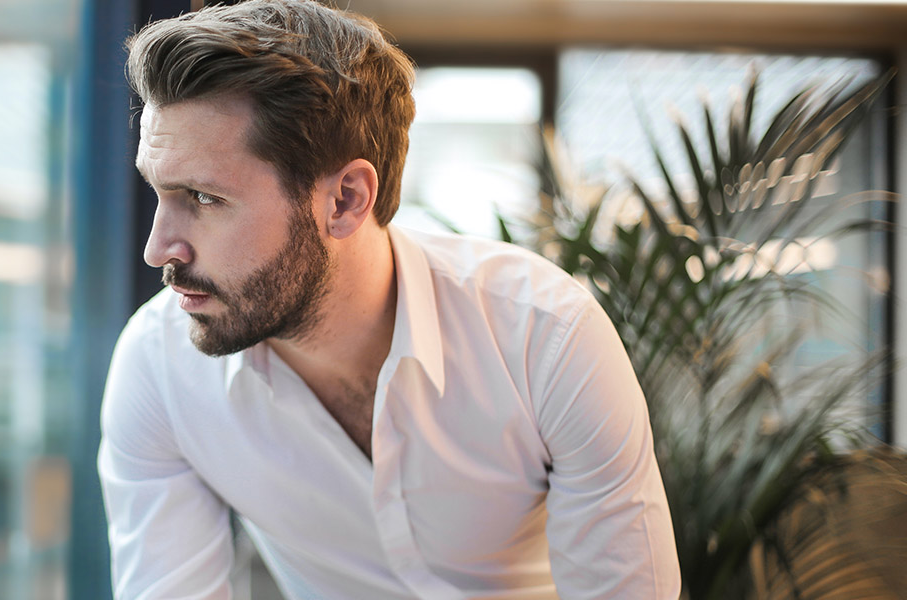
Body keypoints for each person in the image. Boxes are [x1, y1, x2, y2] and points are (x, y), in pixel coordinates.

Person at [99, 1, 681, 598]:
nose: (157, 248)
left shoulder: (543, 338)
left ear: (346, 200)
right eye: (160, 192)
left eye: (202, 198)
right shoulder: (159, 367)